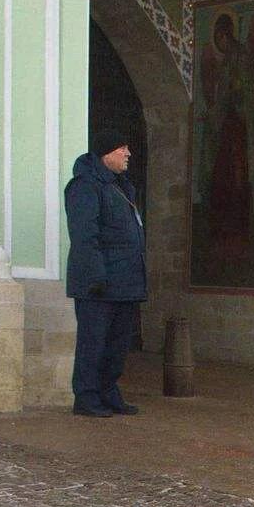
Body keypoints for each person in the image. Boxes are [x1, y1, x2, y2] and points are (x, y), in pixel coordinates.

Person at [63, 131, 148, 417]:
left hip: (124, 283)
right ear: (106, 152)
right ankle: (86, 397)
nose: (128, 153)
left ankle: (108, 391)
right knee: (93, 343)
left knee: (117, 344)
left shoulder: (122, 187)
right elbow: (85, 236)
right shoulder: (85, 186)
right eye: (122, 147)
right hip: (99, 284)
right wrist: (96, 275)